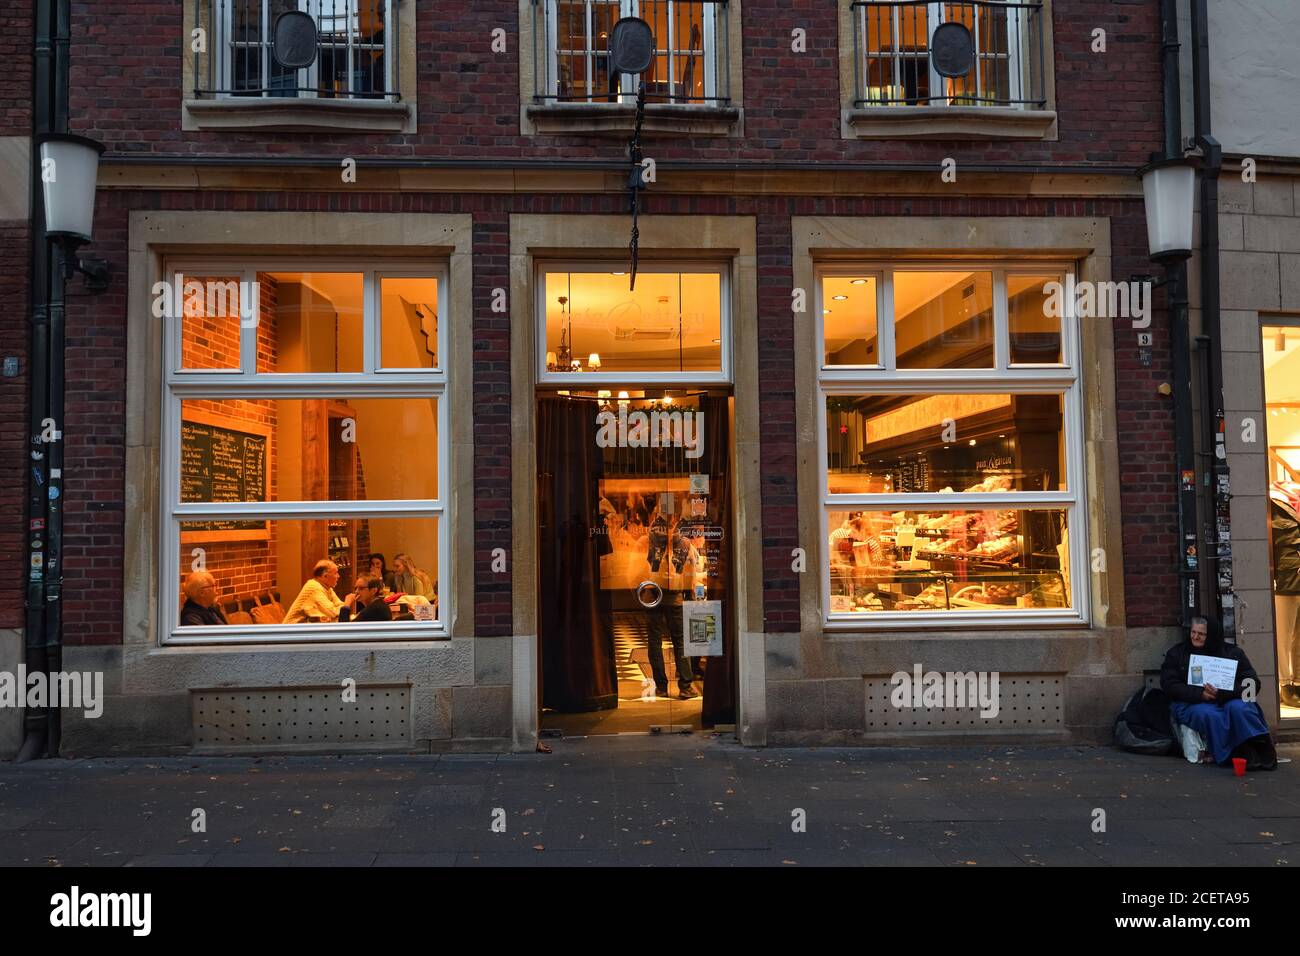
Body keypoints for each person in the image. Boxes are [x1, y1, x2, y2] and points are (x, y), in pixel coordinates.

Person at [1161, 616, 1277, 770]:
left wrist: (1225, 693)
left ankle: (1260, 747)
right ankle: (1233, 754)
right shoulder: (1177, 654)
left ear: (1213, 636)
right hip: (1193, 702)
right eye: (1193, 632)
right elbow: (1169, 685)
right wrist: (1199, 694)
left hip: (1227, 698)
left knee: (1239, 709)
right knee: (1211, 715)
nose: (1195, 637)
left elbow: (1251, 684)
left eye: (1201, 634)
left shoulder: (1233, 653)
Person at [284, 559, 346, 624]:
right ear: (325, 576)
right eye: (336, 573)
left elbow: (339, 606)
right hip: (290, 631)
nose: (338, 576)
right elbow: (333, 613)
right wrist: (347, 603)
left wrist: (342, 607)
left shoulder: (327, 588)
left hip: (303, 630)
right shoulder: (313, 587)